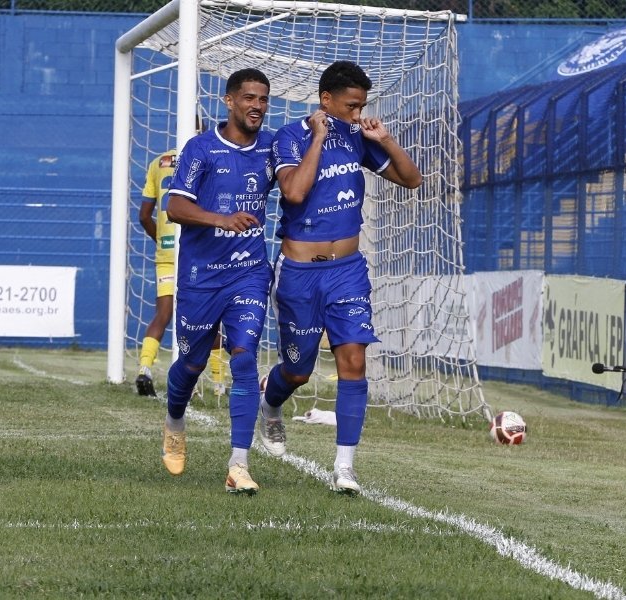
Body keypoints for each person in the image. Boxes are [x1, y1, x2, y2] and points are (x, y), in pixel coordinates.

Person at [262, 60, 422, 495]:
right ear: (325, 100)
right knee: (298, 371)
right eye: (351, 106)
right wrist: (319, 137)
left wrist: (383, 138)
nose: (357, 114)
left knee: (353, 359)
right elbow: (294, 192)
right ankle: (271, 405)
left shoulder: (359, 138)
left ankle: (345, 468)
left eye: (362, 106)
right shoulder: (289, 137)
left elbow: (413, 180)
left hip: (347, 272)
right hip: (299, 273)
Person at [161, 68, 275, 495]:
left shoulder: (271, 147)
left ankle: (238, 465)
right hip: (200, 277)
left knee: (244, 357)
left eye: (263, 99)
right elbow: (174, 207)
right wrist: (220, 219)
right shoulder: (201, 148)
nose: (257, 106)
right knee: (191, 364)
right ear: (229, 101)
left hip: (248, 274)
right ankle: (174, 421)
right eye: (249, 98)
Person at [136, 143, 227, 399]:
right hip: (197, 249)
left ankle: (145, 368)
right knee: (209, 317)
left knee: (163, 314)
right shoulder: (207, 156)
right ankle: (219, 383)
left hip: (166, 253)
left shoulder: (158, 162)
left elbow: (144, 215)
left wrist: (162, 242)